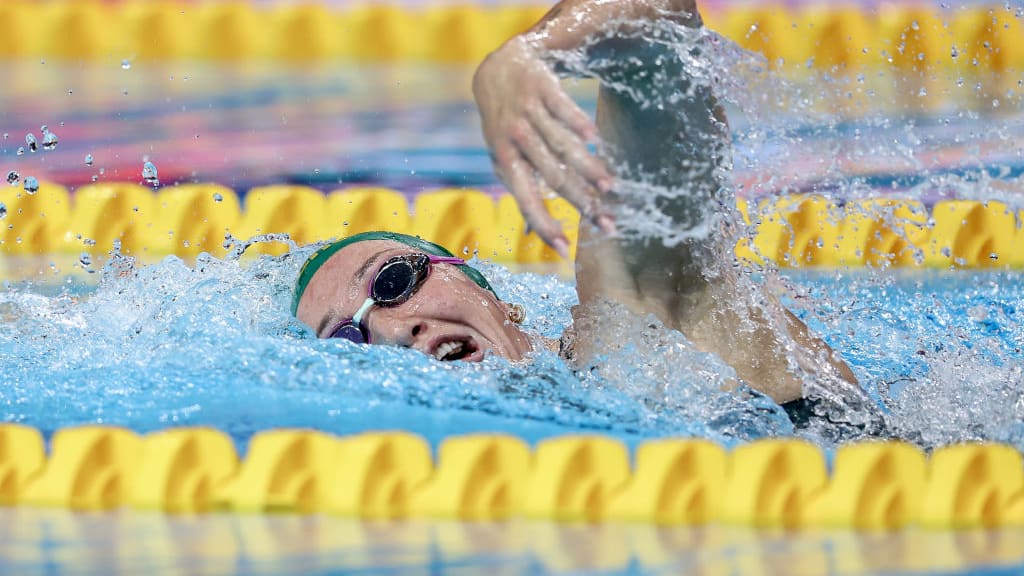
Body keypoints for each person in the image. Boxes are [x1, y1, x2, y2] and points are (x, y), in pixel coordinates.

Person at [293, 0, 863, 415]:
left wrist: (522, 58)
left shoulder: (638, 330)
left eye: (392, 281)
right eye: (349, 340)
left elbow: (660, 20)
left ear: (493, 295)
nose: (391, 329)